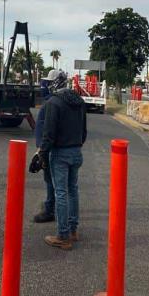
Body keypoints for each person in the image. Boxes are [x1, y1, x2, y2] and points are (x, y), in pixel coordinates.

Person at [38, 70, 87, 250]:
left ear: (56, 83)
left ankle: (63, 235)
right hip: (76, 151)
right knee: (73, 190)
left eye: (50, 82)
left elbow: (48, 133)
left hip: (60, 153)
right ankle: (73, 230)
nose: (47, 85)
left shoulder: (54, 103)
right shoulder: (79, 101)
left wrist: (43, 153)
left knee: (61, 193)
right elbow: (84, 131)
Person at [31, 70, 60, 222]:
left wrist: (41, 150)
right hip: (51, 147)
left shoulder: (51, 103)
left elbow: (48, 130)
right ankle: (53, 206)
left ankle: (50, 209)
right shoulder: (52, 101)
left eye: (47, 83)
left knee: (50, 179)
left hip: (48, 148)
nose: (44, 86)